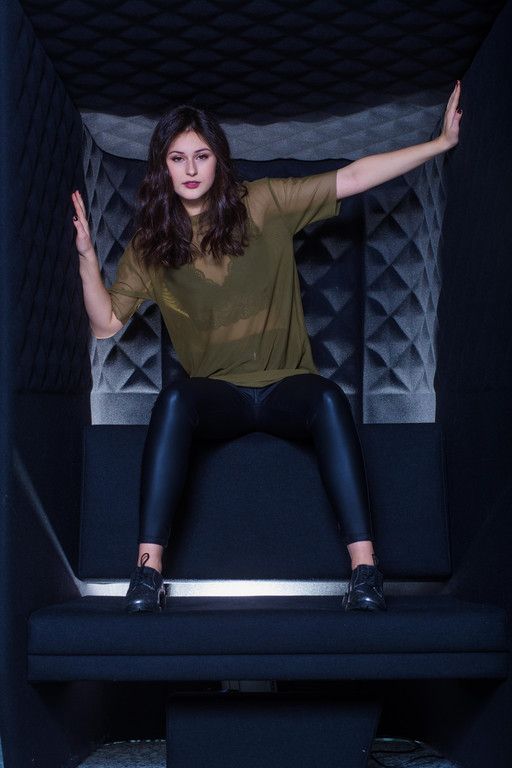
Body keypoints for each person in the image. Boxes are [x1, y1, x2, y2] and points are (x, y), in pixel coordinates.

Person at [73, 83, 462, 614]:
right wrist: (87, 259)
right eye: (177, 158)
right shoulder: (152, 244)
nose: (191, 169)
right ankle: (147, 573)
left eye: (201, 156)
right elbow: (105, 325)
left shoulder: (263, 203)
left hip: (285, 389)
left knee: (328, 397)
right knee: (174, 399)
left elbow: (351, 177)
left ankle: (365, 570)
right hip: (220, 398)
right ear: (163, 167)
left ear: (218, 159)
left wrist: (439, 144)